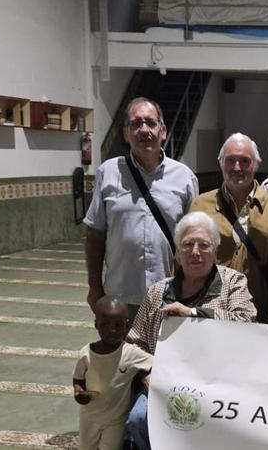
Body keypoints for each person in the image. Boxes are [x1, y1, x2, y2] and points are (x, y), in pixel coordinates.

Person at [125, 211, 257, 450]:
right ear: (177, 251)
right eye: (187, 245)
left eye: (204, 245)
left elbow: (246, 321)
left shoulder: (232, 282)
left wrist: (193, 314)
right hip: (165, 385)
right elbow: (134, 342)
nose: (195, 252)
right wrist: (147, 371)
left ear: (216, 250)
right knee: (138, 419)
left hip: (219, 383)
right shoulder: (157, 291)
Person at [84, 97, 199, 322]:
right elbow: (95, 235)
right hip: (119, 298)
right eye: (136, 124)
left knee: (166, 358)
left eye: (150, 123)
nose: (143, 129)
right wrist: (94, 288)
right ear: (126, 134)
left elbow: (194, 239)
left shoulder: (185, 178)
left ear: (163, 131)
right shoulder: (108, 172)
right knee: (122, 357)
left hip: (170, 298)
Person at [190, 133, 268, 323]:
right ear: (220, 163)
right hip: (206, 317)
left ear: (256, 164)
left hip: (260, 319)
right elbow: (182, 261)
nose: (237, 167)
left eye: (245, 161)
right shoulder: (200, 206)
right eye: (231, 160)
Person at [73, 295, 152, 450]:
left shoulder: (132, 354)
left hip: (115, 420)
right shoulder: (86, 353)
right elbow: (78, 378)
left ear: (127, 326)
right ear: (96, 325)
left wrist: (145, 375)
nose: (112, 330)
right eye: (105, 324)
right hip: (89, 417)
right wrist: (79, 391)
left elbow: (156, 364)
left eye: (118, 324)